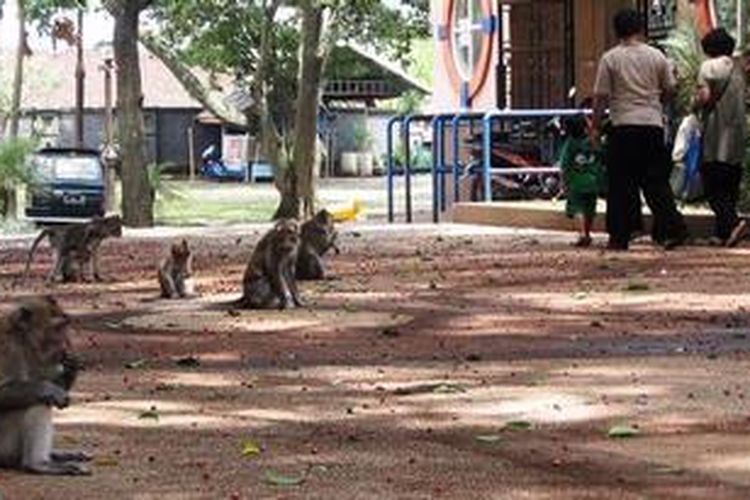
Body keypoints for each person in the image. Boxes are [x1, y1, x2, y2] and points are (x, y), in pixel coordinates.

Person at [591, 8, 688, 250]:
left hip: (622, 125)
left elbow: (600, 96)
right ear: (641, 29)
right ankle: (672, 229)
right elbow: (670, 89)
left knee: (620, 183)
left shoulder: (610, 58)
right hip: (651, 125)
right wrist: (657, 102)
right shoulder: (656, 56)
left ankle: (620, 235)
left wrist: (595, 126)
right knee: (656, 182)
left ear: (617, 31)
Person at [695, 28, 747, 247]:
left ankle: (733, 223)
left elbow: (705, 97)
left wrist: (695, 103)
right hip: (737, 135)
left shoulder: (708, 67)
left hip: (715, 135)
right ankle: (723, 233)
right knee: (729, 186)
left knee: (713, 186)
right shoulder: (739, 68)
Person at [559, 114, 604, 247]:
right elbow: (601, 155)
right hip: (593, 182)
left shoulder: (570, 144)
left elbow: (564, 165)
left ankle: (583, 233)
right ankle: (588, 233)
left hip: (576, 182)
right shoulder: (593, 142)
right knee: (590, 209)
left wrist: (564, 182)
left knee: (578, 209)